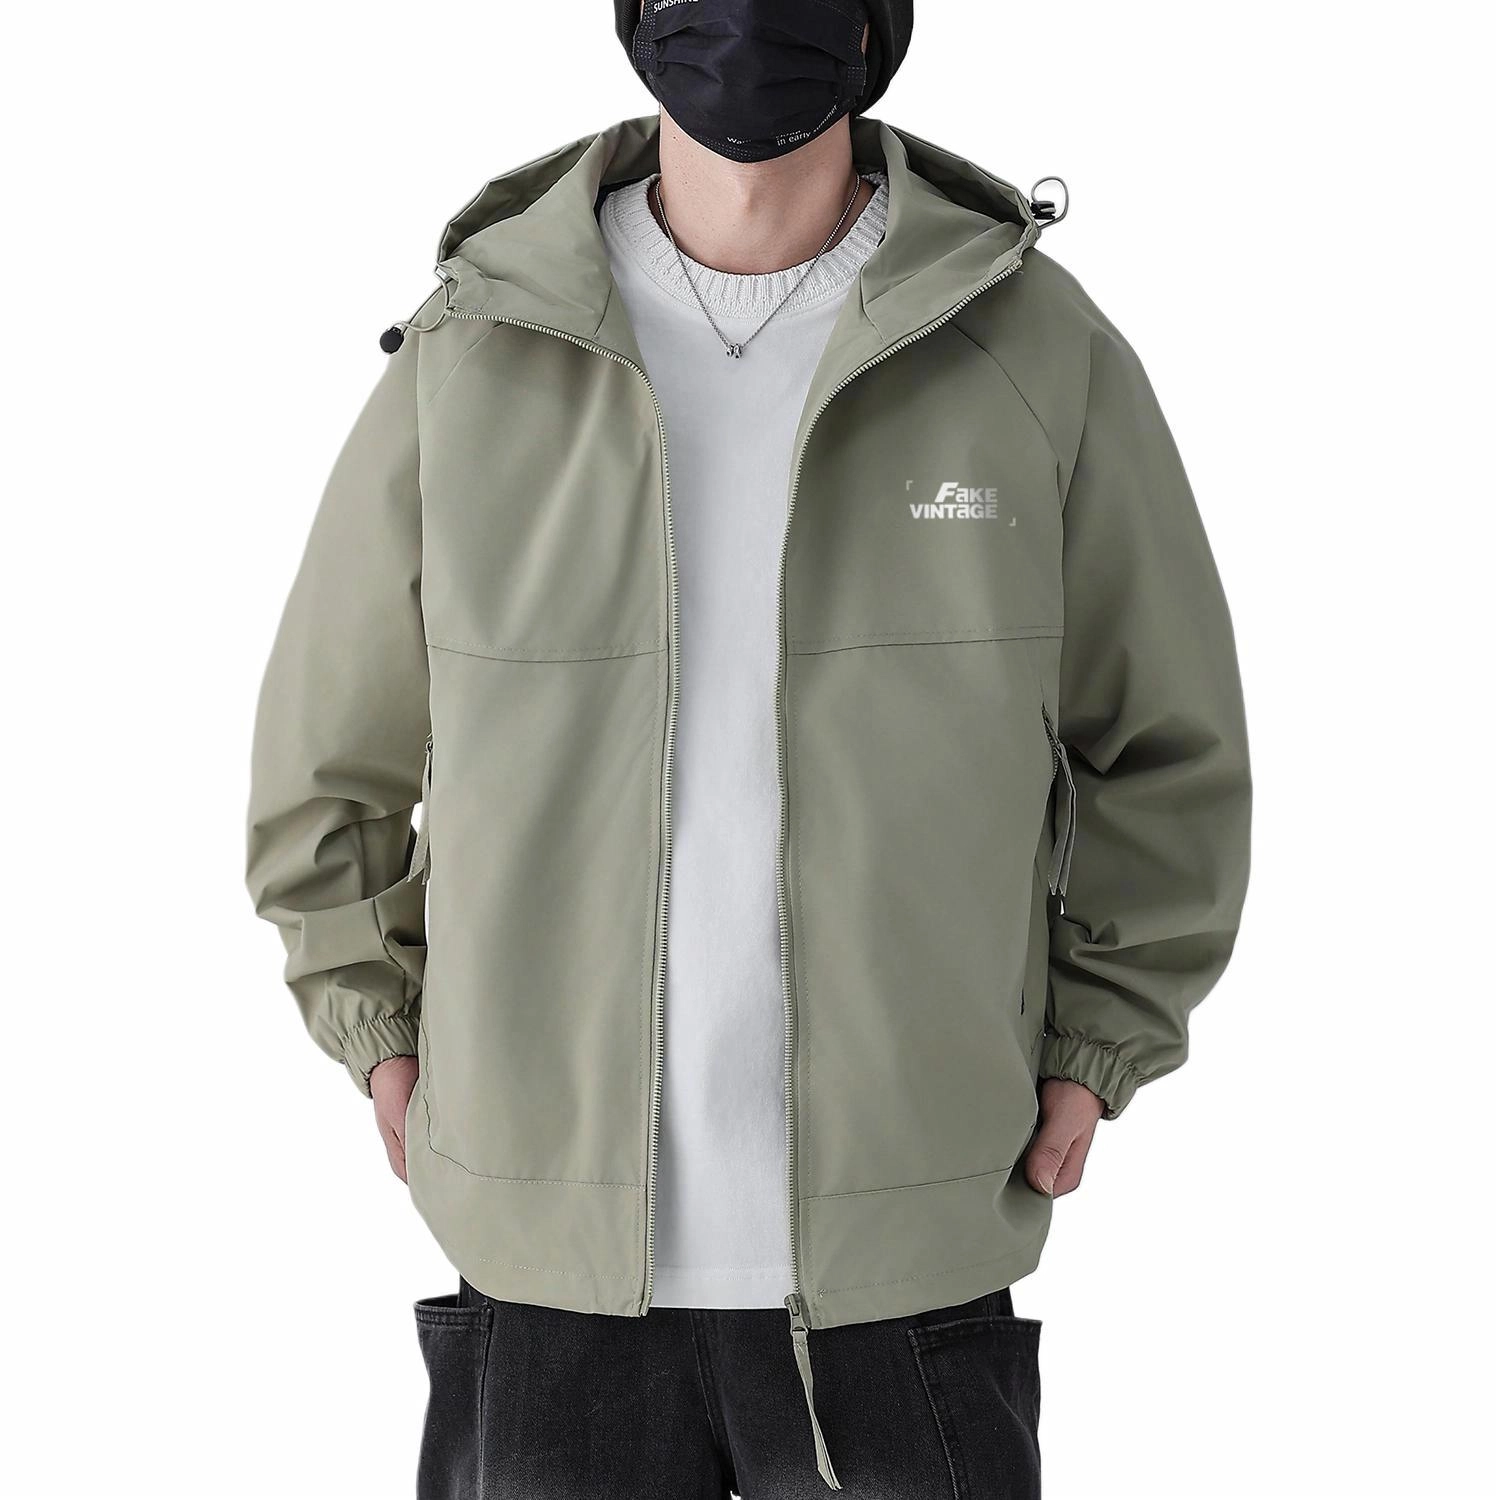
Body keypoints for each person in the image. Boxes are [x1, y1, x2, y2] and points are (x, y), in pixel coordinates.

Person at [245, 1, 1252, 1493]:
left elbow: (1166, 744)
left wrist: (1099, 1047)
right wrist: (377, 1032)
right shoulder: (478, 350)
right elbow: (327, 766)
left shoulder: (1031, 346)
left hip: (907, 1262)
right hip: (544, 1265)